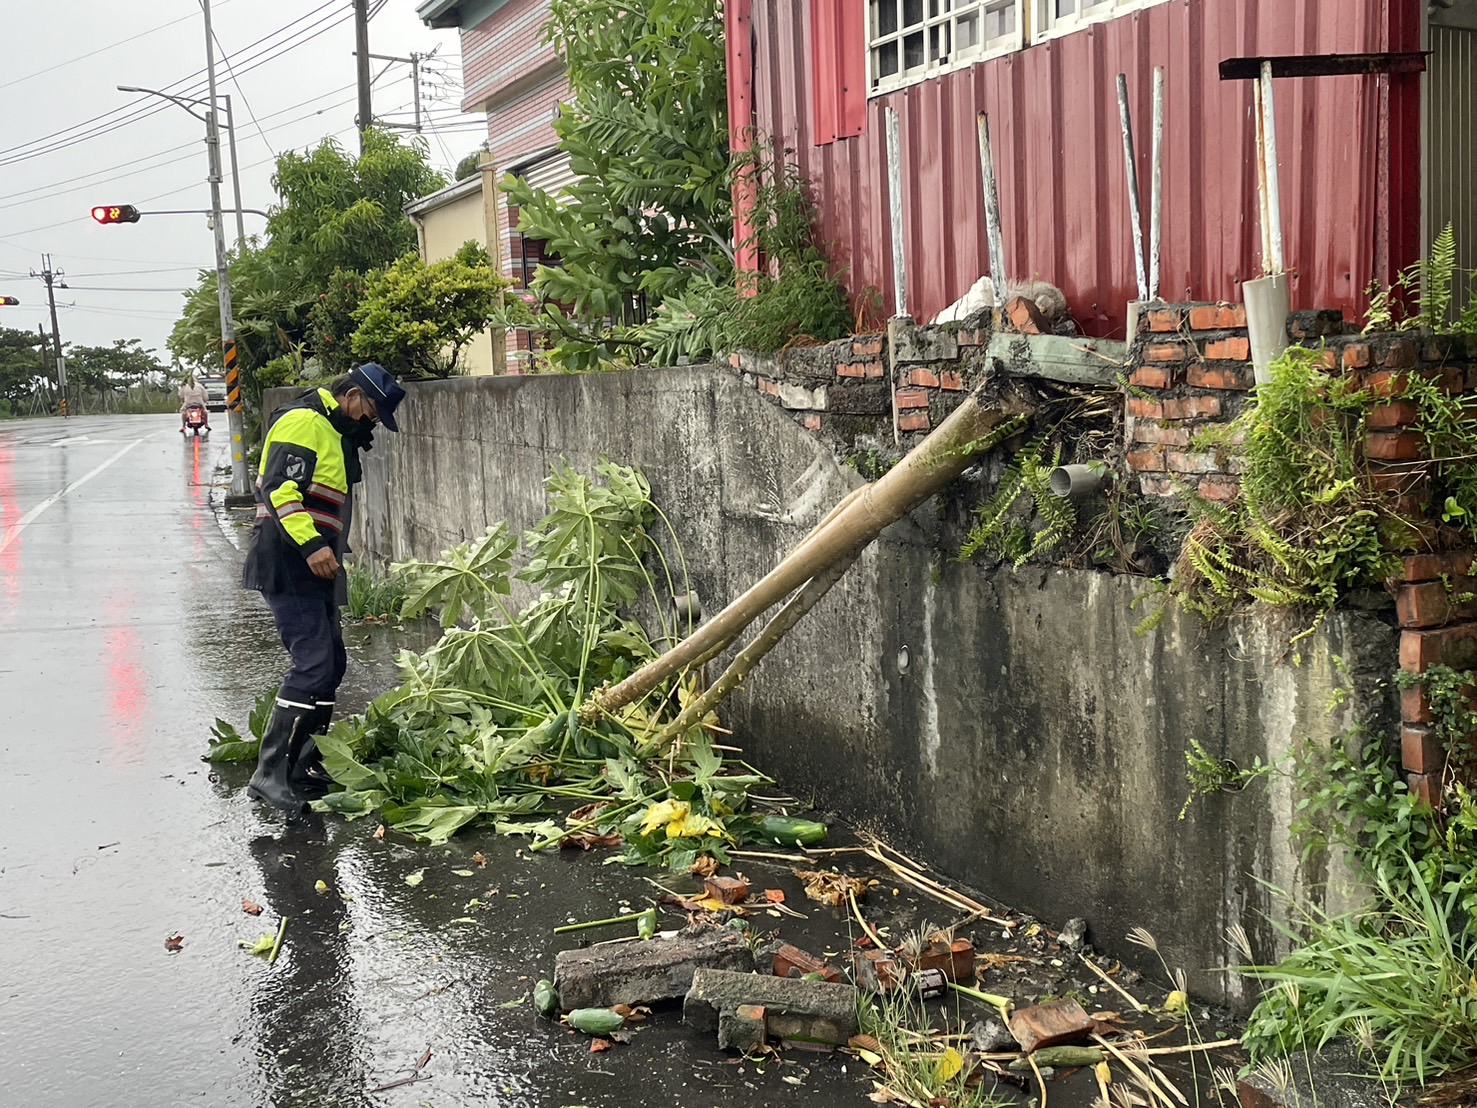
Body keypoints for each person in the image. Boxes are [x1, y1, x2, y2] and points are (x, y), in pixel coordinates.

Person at [243, 362, 406, 812]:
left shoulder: (333, 430)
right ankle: (269, 774)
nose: (370, 421)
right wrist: (314, 546)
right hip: (291, 557)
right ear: (352, 395)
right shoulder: (304, 421)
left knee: (331, 665)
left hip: (317, 563)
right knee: (313, 663)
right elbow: (278, 489)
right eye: (371, 411)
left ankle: (301, 766)